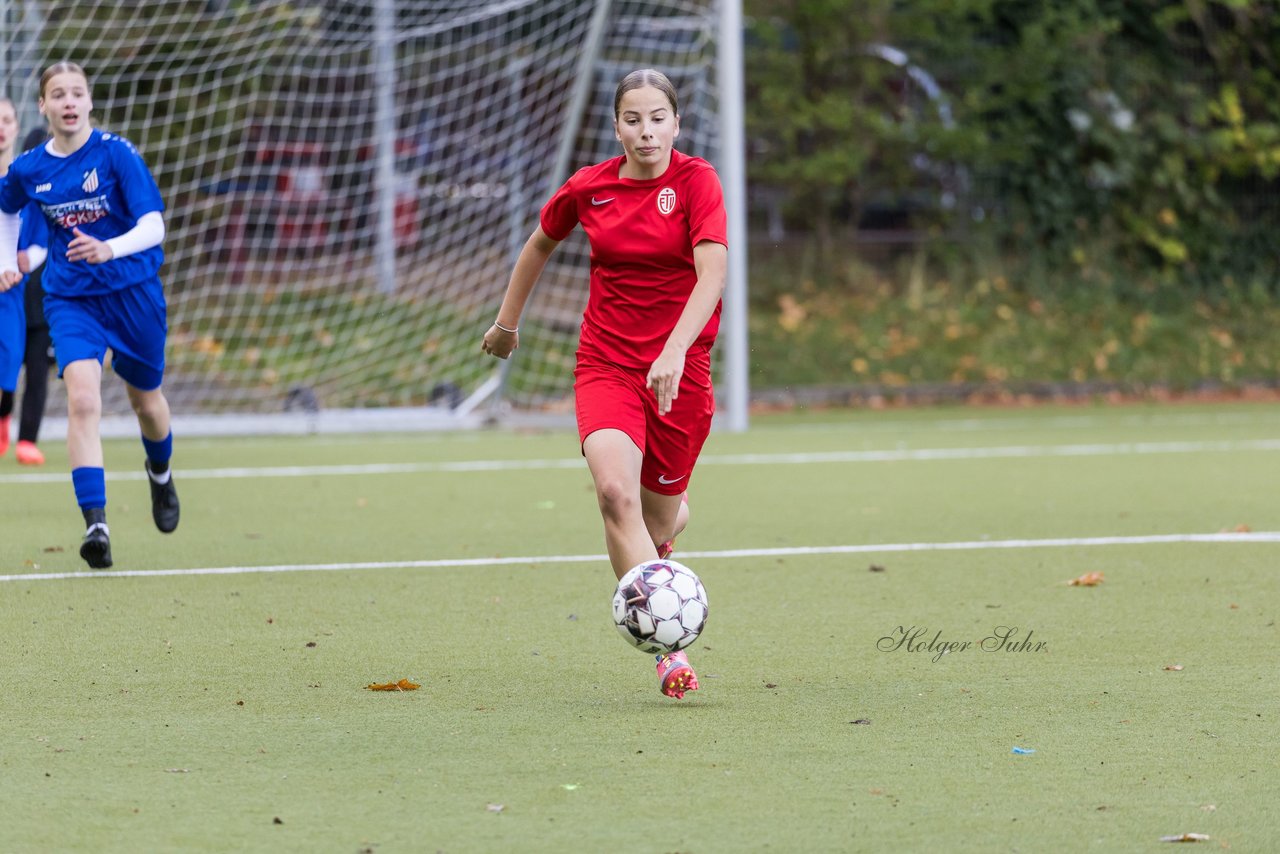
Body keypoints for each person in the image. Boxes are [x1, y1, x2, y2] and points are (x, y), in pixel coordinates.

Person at [481, 69, 728, 699]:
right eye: (632, 120)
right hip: (607, 364)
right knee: (615, 492)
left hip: (681, 374)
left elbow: (712, 274)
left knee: (656, 514)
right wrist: (508, 324)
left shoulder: (697, 181)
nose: (646, 132)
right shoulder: (588, 188)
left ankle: (664, 529)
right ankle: (666, 651)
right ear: (615, 126)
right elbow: (539, 245)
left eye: (657, 119)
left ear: (677, 123)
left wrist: (673, 352)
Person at [0, 62, 180, 569]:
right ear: (44, 106)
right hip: (72, 298)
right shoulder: (31, 167)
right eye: (58, 94)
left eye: (77, 92)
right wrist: (6, 257)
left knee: (146, 400)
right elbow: (6, 207)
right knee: (82, 399)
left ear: (90, 102)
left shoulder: (117, 154)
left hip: (133, 293)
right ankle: (96, 525)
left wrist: (110, 248)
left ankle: (161, 476)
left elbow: (154, 225)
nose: (69, 101)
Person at [0, 118, 53, 466]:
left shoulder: (54, 199)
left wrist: (28, 259)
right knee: (6, 370)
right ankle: (4, 420)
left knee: (37, 371)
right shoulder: (16, 191)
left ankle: (27, 440)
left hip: (46, 300)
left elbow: (45, 244)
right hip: (12, 295)